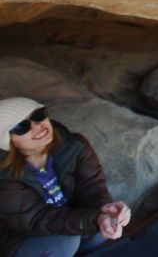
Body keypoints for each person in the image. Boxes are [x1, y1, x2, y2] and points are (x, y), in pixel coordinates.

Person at [0, 98, 131, 257]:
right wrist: (93, 219)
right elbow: (35, 218)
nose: (38, 126)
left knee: (101, 229)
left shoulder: (73, 145)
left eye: (38, 115)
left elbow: (92, 186)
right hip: (18, 239)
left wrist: (106, 211)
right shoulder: (4, 175)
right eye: (22, 127)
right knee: (65, 241)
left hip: (64, 223)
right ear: (6, 140)